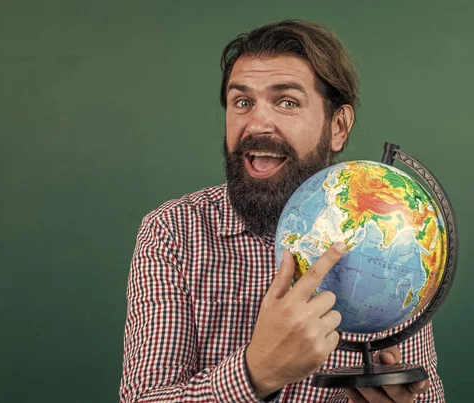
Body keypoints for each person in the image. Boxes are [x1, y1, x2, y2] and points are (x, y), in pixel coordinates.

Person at [119, 20, 445, 403]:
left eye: (287, 102)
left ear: (338, 127)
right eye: (242, 102)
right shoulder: (173, 231)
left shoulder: (394, 236)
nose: (257, 123)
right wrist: (256, 373)